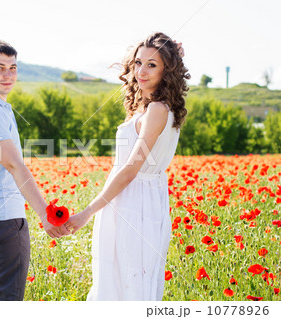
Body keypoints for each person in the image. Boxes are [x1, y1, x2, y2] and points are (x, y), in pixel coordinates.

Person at [65, 32, 190, 300]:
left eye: (152, 65)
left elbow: (130, 170)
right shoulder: (149, 107)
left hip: (136, 204)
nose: (141, 71)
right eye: (138, 62)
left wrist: (86, 212)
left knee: (131, 283)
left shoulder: (157, 109)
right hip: (138, 200)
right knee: (123, 280)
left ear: (167, 70)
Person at [0, 39, 70, 301]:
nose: (8, 75)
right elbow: (13, 164)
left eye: (13, 67)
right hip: (2, 221)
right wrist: (46, 214)